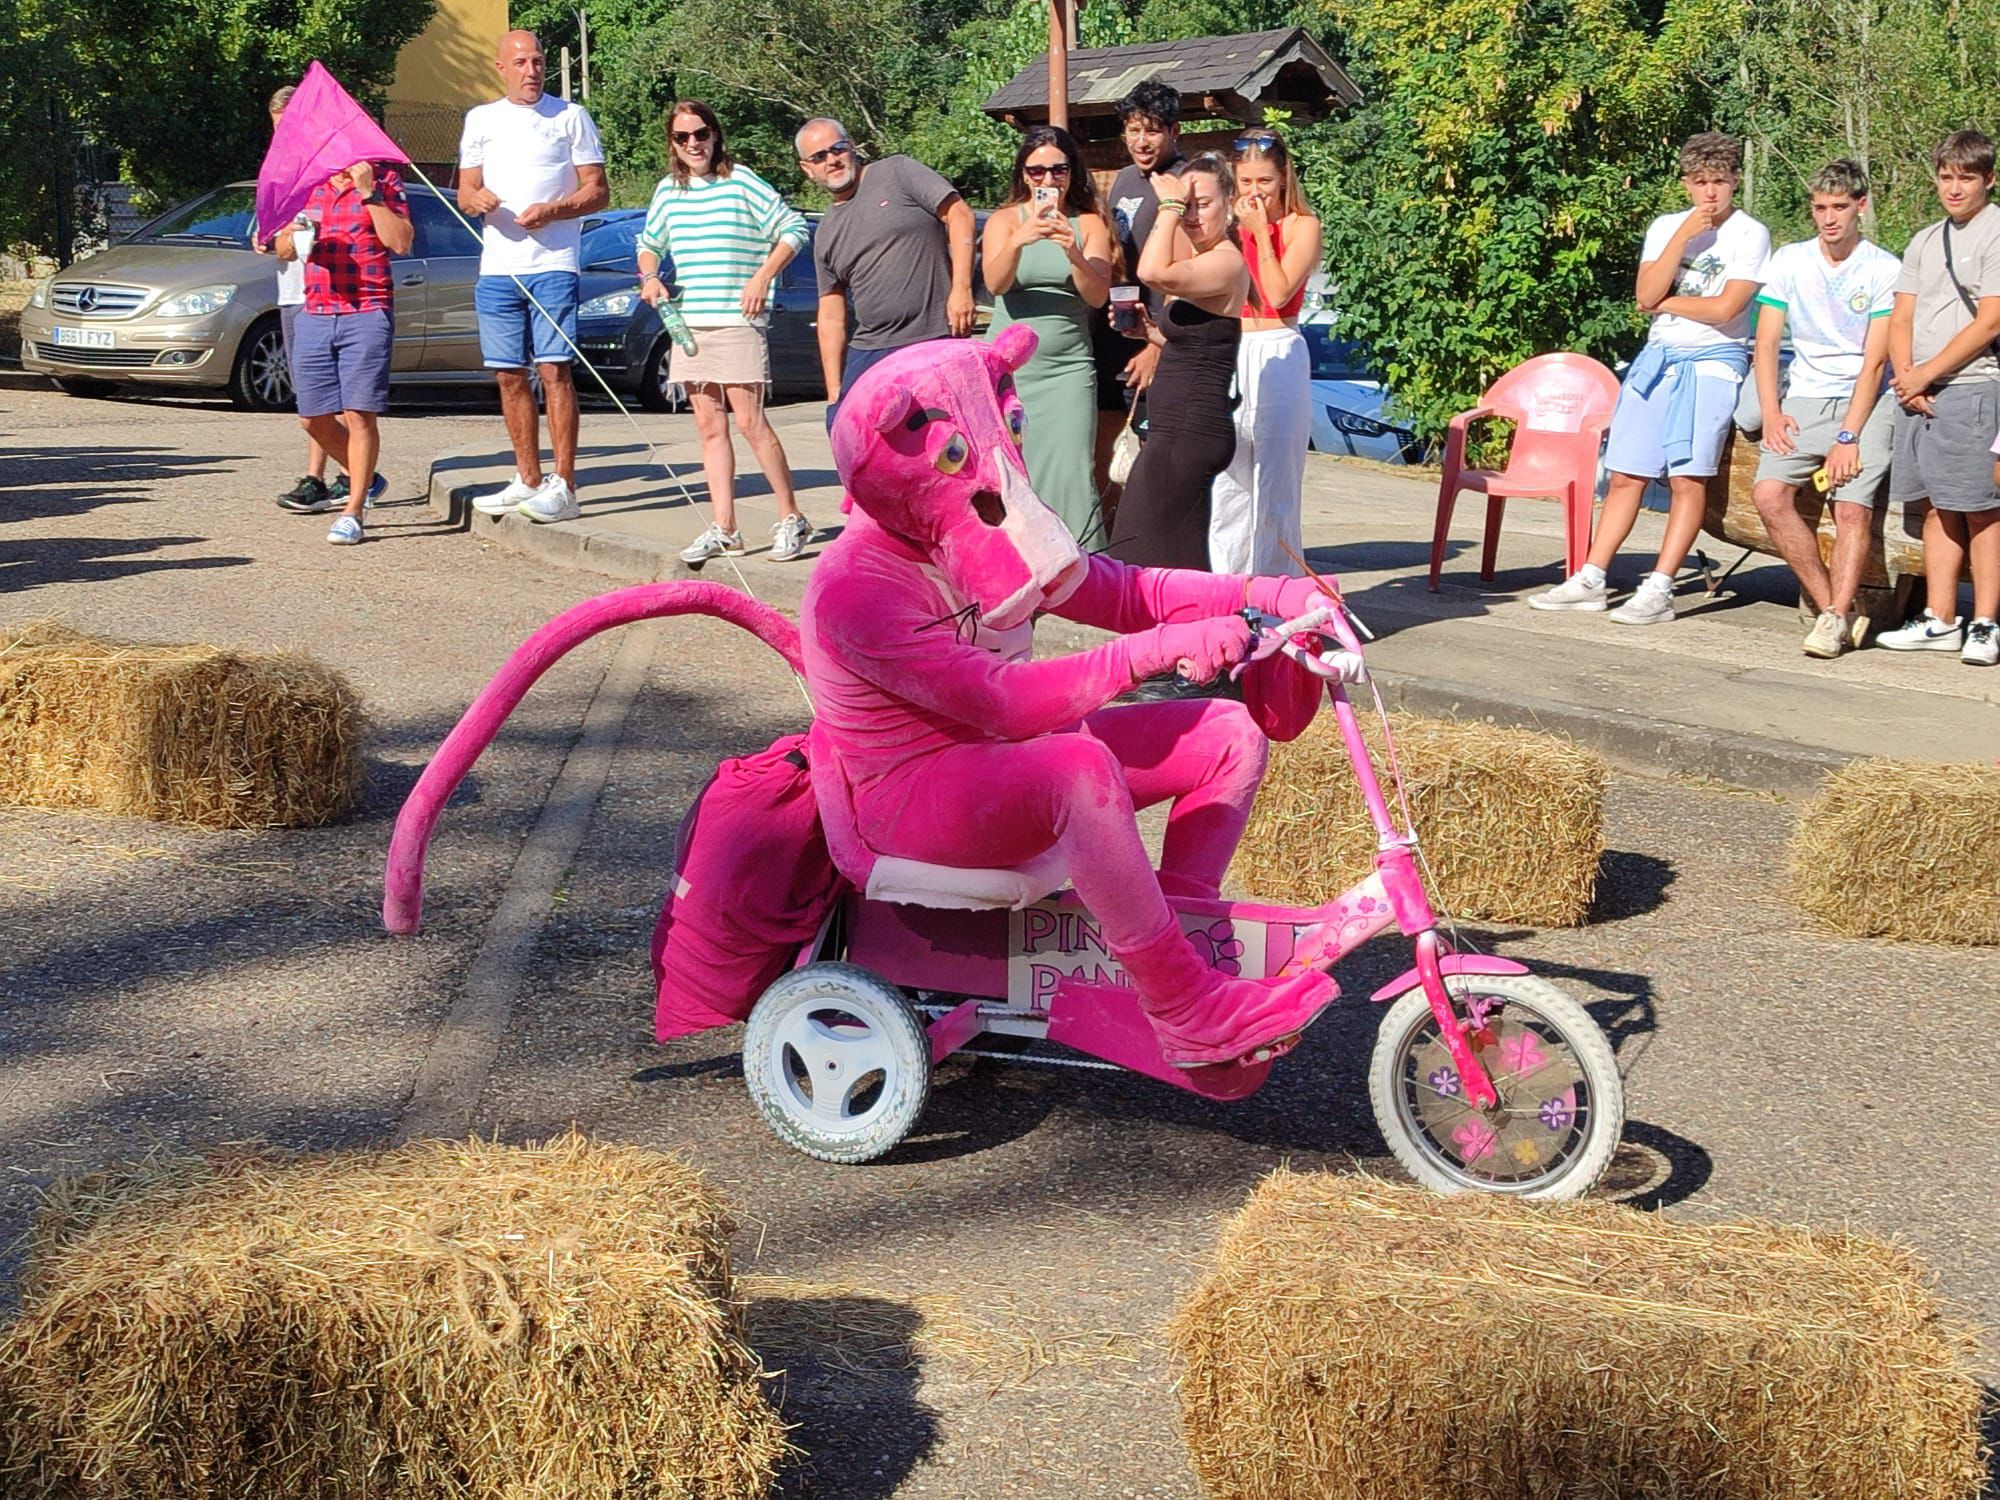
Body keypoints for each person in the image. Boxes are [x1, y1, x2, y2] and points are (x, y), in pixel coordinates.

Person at [1532, 133, 1770, 623]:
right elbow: (1645, 292)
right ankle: (1592, 575)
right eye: (1701, 182)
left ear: (1735, 182)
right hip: (1658, 357)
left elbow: (1726, 306)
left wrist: (1663, 304)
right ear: (1686, 184)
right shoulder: (1667, 227)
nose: (1711, 194)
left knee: (1687, 477)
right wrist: (1683, 237)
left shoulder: (1751, 234)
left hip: (1710, 363)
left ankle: (1660, 587)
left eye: (1720, 182)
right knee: (1625, 474)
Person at [636, 100, 817, 566]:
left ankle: (791, 517)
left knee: (750, 422)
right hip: (690, 321)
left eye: (701, 134)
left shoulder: (741, 181)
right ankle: (725, 527)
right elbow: (649, 244)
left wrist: (762, 278)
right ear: (672, 143)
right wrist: (650, 277)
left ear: (715, 135)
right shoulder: (668, 192)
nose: (693, 144)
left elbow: (793, 227)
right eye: (683, 137)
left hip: (738, 320)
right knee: (708, 426)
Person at [1748, 160, 1901, 660]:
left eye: (1839, 207)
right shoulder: (1790, 260)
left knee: (1852, 507)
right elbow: (1767, 342)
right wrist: (1771, 412)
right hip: (1806, 394)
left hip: (1866, 399)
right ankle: (1834, 609)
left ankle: (1833, 616)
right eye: (1820, 208)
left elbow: (1876, 361)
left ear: (1861, 206)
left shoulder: (1884, 268)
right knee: (1770, 495)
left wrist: (1848, 437)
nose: (1829, 218)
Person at [458, 30, 608, 526]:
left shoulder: (570, 116)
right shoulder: (481, 119)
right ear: (500, 67)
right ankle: (527, 476)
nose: (532, 70)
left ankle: (564, 484)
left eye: (538, 61)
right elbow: (466, 190)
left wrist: (556, 208)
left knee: (554, 371)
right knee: (507, 374)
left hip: (553, 265)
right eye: (521, 62)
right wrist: (476, 200)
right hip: (499, 267)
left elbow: (598, 191)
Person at [1878, 130, 2000, 666]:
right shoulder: (1925, 240)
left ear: (1988, 180)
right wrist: (1906, 375)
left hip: (1972, 385)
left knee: (1980, 509)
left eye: (1966, 177)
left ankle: (1986, 622)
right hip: (1919, 392)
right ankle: (1940, 617)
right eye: (1947, 176)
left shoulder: (1995, 232)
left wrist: (1926, 372)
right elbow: (1900, 314)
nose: (1954, 188)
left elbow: (1991, 318)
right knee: (1931, 505)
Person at [1107, 155, 1248, 575]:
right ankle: (1194, 634)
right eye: (1184, 206)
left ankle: (1214, 633)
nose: (1190, 215)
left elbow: (1151, 270)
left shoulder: (1226, 261)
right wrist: (1148, 333)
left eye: (1200, 204)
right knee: (1154, 551)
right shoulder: (1203, 261)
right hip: (1176, 426)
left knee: (1157, 556)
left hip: (1192, 428)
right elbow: (1195, 345)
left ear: (1230, 202)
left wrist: (1166, 206)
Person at [796, 118, 977, 427]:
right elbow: (830, 314)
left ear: (851, 147)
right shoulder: (825, 231)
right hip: (872, 350)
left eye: (837, 148)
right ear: (807, 168)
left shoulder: (897, 172)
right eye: (819, 156)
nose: (832, 160)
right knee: (846, 430)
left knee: (947, 441)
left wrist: (961, 289)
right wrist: (834, 391)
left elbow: (959, 214)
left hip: (932, 337)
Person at [982, 125, 1114, 547]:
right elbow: (996, 283)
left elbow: (1096, 296)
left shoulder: (1090, 223)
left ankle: (1079, 566)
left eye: (1058, 170)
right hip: (1009, 371)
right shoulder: (1004, 220)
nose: (1047, 181)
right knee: (1009, 470)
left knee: (1071, 468)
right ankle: (1016, 562)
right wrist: (1020, 240)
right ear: (1023, 175)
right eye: (1036, 171)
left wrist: (1071, 249)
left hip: (1067, 371)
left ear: (1072, 173)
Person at [1209, 131, 1322, 575]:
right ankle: (1228, 589)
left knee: (1276, 480)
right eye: (1246, 181)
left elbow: (1276, 291)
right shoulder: (1227, 226)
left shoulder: (1302, 226)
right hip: (1232, 345)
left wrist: (1261, 236)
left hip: (1277, 344)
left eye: (1266, 181)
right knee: (1229, 479)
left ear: (1284, 179)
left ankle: (1279, 590)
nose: (1255, 192)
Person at [283, 157, 412, 545]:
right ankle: (366, 477)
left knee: (358, 414)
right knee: (312, 419)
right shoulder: (310, 184)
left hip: (367, 310)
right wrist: (293, 238)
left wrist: (370, 193)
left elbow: (401, 242)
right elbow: (282, 249)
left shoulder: (385, 181)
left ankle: (352, 511)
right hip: (317, 309)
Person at [1093, 79, 1188, 496]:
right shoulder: (1126, 179)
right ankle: (1112, 556)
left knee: (1151, 462)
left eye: (1152, 130)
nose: (1141, 141)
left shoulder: (1187, 180)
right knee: (1108, 457)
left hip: (1159, 340)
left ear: (1173, 132)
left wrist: (1156, 344)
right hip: (1116, 331)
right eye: (1133, 130)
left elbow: (1186, 270)